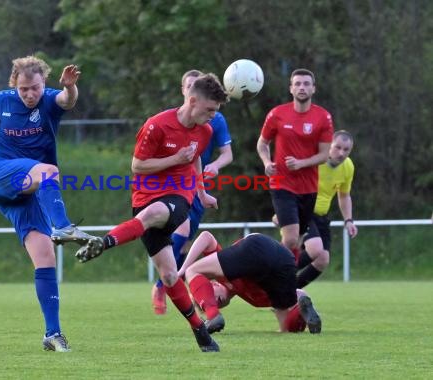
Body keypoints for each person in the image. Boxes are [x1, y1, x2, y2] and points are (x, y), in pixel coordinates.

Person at [75, 73, 229, 352]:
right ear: (192, 101)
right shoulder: (157, 125)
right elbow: (137, 166)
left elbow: (193, 160)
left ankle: (105, 242)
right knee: (170, 275)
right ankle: (200, 331)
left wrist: (202, 194)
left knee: (156, 212)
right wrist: (174, 159)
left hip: (179, 196)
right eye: (210, 110)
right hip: (144, 196)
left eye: (216, 112)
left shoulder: (205, 131)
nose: (213, 116)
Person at [0, 56, 95, 352]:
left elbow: (67, 100)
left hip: (26, 191)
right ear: (15, 86)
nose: (29, 94)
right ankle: (63, 226)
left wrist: (70, 87)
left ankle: (53, 334)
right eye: (24, 89)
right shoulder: (3, 100)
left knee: (46, 257)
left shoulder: (50, 99)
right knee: (49, 171)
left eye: (34, 88)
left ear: (43, 83)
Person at [152, 70, 233, 315]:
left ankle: (178, 283)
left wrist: (215, 167)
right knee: (183, 229)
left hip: (196, 184)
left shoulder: (214, 119)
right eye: (186, 87)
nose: (190, 91)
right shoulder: (170, 120)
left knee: (186, 245)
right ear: (184, 92)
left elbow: (227, 154)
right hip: (171, 183)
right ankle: (161, 286)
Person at [256, 68, 334, 260]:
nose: (302, 87)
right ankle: (271, 273)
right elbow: (262, 143)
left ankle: (287, 282)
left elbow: (324, 155)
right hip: (282, 183)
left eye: (306, 84)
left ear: (313, 89)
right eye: (297, 84)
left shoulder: (323, 117)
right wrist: (267, 162)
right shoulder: (277, 114)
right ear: (291, 88)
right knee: (290, 239)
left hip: (308, 187)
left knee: (298, 240)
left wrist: (301, 163)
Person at [178, 231, 322, 334]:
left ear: (213, 284)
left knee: (192, 270)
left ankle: (212, 315)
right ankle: (305, 314)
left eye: (211, 297)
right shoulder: (255, 299)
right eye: (215, 304)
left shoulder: (221, 275)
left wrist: (183, 269)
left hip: (256, 245)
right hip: (286, 260)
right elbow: (298, 293)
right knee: (286, 326)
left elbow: (206, 237)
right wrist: (302, 300)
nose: (216, 302)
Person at [274, 130, 357, 288]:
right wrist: (282, 211)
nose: (341, 153)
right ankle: (278, 273)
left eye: (346, 150)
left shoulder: (348, 167)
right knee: (315, 248)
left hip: (321, 217)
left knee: (322, 260)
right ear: (329, 145)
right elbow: (287, 183)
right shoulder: (313, 160)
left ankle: (288, 293)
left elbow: (344, 196)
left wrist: (348, 220)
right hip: (302, 210)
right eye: (337, 147)